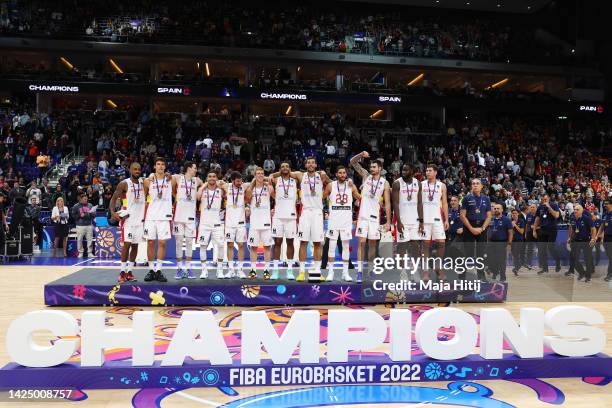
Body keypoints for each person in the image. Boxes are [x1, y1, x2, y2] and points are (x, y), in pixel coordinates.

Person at [350, 151, 391, 282]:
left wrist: (389, 222)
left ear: (380, 169)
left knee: (372, 245)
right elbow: (353, 162)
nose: (371, 168)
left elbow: (388, 204)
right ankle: (360, 271)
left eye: (374, 167)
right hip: (362, 216)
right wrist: (361, 155)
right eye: (371, 166)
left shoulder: (385, 183)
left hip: (375, 218)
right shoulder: (366, 176)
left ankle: (371, 269)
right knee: (362, 242)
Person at [288, 157, 330, 282]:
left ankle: (317, 272)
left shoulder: (321, 176)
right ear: (306, 165)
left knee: (317, 243)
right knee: (303, 242)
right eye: (308, 163)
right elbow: (285, 172)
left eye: (313, 163)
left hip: (317, 213)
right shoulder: (301, 176)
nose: (311, 164)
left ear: (316, 165)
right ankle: (301, 272)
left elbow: (334, 184)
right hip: (305, 213)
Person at [323, 165, 360, 281]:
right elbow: (321, 198)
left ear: (346, 174)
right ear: (336, 174)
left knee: (345, 247)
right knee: (331, 247)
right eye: (340, 173)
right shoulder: (330, 185)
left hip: (346, 221)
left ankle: (345, 273)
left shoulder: (351, 185)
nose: (342, 175)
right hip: (334, 220)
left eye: (344, 173)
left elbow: (359, 198)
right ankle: (330, 272)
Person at [109, 162, 144, 282]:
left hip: (139, 221)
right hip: (128, 220)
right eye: (135, 169)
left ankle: (129, 272)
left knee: (135, 246)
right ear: (130, 170)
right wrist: (113, 213)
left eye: (139, 169)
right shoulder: (124, 183)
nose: (137, 171)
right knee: (127, 245)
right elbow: (114, 198)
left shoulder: (143, 183)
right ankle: (122, 272)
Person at [143, 157, 174, 282]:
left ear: (165, 167)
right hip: (151, 216)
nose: (160, 166)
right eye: (158, 164)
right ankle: (151, 270)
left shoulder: (170, 179)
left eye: (162, 164)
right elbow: (143, 197)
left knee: (162, 243)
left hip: (164, 216)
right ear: (154, 166)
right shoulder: (148, 181)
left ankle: (159, 270)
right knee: (150, 242)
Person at [393, 164, 424, 279]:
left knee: (416, 247)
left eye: (406, 169)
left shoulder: (418, 183)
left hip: (415, 220)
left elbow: (420, 203)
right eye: (402, 169)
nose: (403, 171)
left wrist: (421, 221)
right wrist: (399, 221)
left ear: (412, 170)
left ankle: (415, 271)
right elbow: (395, 204)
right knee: (402, 247)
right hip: (403, 221)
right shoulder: (397, 183)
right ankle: (403, 272)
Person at [172, 162, 203, 279]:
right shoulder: (178, 178)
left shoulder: (197, 180)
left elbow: (205, 185)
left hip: (190, 216)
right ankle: (179, 269)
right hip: (178, 216)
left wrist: (200, 191)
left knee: (190, 242)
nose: (196, 170)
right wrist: (175, 195)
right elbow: (168, 180)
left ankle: (188, 268)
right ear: (189, 168)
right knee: (179, 242)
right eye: (195, 168)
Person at [270, 162, 299, 280]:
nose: (285, 168)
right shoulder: (276, 180)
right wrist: (275, 174)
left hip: (291, 217)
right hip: (278, 216)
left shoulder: (295, 180)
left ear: (290, 169)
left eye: (287, 166)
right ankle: (275, 270)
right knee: (277, 243)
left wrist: (287, 172)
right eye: (282, 167)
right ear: (280, 169)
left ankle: (290, 270)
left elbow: (299, 174)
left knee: (290, 243)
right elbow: (270, 177)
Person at [420, 164, 449, 280]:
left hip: (437, 218)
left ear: (435, 172)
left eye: (430, 170)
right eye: (426, 170)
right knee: (425, 246)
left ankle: (438, 266)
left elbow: (445, 203)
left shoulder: (442, 186)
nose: (427, 172)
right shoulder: (421, 184)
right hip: (425, 219)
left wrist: (446, 219)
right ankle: (425, 271)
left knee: (441, 242)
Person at [245, 167, 274, 279]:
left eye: (262, 173)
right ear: (254, 175)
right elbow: (247, 198)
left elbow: (272, 185)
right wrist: (253, 182)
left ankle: (266, 271)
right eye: (258, 174)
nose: (260, 175)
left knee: (267, 247)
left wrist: (265, 179)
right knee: (253, 247)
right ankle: (253, 270)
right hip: (254, 223)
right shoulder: (250, 189)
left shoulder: (268, 187)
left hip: (266, 222)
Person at [460, 178, 492, 281]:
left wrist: (482, 228)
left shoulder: (486, 199)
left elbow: (489, 216)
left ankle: (481, 276)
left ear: (482, 186)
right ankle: (463, 276)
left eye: (477, 183)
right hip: (469, 227)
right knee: (467, 253)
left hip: (482, 227)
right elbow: (462, 216)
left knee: (480, 253)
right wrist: (471, 228)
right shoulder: (466, 198)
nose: (475, 185)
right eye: (473, 183)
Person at [197, 172, 226, 279]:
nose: (212, 178)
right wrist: (204, 185)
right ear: (206, 178)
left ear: (217, 178)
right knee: (203, 246)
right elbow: (198, 197)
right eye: (209, 176)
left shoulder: (220, 190)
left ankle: (220, 270)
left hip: (217, 223)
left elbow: (228, 193)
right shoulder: (202, 190)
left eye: (214, 176)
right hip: (204, 223)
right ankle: (204, 270)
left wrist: (221, 184)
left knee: (221, 245)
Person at [223, 171, 248, 279]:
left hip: (241, 222)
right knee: (230, 245)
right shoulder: (226, 186)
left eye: (241, 180)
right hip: (229, 222)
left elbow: (256, 181)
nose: (240, 182)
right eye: (237, 181)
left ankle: (240, 269)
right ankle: (231, 270)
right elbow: (216, 182)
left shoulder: (244, 186)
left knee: (241, 245)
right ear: (232, 180)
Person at [532, 194, 561, 275]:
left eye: (546, 199)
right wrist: (534, 230)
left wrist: (549, 207)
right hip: (542, 229)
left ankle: (558, 261)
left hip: (552, 229)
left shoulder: (554, 205)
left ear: (548, 198)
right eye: (543, 199)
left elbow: (556, 215)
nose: (544, 200)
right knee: (542, 249)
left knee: (551, 247)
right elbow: (537, 219)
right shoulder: (540, 207)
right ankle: (545, 268)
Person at [488, 203, 513, 282]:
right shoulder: (490, 219)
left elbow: (510, 232)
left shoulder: (506, 220)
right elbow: (488, 231)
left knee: (501, 260)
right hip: (491, 243)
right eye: (495, 208)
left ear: (502, 210)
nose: (496, 210)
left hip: (502, 243)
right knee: (492, 260)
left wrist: (509, 244)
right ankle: (495, 273)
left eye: (498, 208)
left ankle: (503, 276)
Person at [571, 204, 596, 282]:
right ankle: (582, 273)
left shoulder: (586, 218)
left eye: (577, 209)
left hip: (586, 241)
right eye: (574, 209)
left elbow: (593, 229)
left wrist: (592, 238)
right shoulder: (572, 219)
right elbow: (572, 229)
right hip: (576, 241)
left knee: (587, 259)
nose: (575, 211)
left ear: (581, 211)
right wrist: (570, 238)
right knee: (573, 259)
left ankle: (588, 277)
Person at [71, 193, 95, 258]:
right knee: (79, 239)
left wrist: (93, 213)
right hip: (80, 226)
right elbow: (73, 215)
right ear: (80, 199)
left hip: (89, 225)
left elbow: (94, 215)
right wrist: (79, 216)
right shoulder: (76, 206)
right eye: (84, 199)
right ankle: (80, 252)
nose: (86, 200)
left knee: (90, 239)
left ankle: (89, 252)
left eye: (86, 199)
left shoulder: (90, 205)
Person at [597, 199, 612, 282]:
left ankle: (609, 274)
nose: (605, 205)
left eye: (607, 204)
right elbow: (602, 226)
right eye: (604, 204)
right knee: (610, 256)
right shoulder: (605, 214)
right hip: (606, 238)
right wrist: (597, 236)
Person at [510, 208, 525, 276]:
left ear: (518, 214)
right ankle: (517, 267)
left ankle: (516, 268)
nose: (514, 214)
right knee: (514, 255)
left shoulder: (521, 221)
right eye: (513, 213)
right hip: (513, 240)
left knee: (516, 254)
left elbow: (521, 231)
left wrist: (515, 225)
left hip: (519, 240)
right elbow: (510, 232)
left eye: (515, 213)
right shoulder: (510, 221)